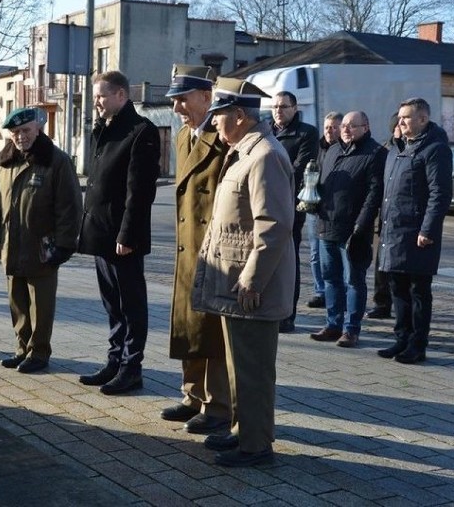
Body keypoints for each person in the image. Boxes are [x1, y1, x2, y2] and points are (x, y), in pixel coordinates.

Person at [191, 77, 295, 468]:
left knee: (252, 371)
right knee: (239, 368)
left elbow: (273, 224)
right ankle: (242, 432)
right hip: (235, 283)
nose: (214, 123)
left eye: (219, 115)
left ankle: (256, 447)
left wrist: (252, 279)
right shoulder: (246, 151)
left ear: (238, 115)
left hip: (252, 287)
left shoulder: (264, 154)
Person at [77, 70, 161, 395]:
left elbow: (138, 192)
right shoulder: (105, 128)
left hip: (122, 238)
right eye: (96, 96)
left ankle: (131, 368)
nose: (96, 102)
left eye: (101, 96)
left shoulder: (141, 131)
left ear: (121, 96)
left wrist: (127, 235)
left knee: (131, 304)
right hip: (101, 233)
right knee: (111, 303)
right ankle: (115, 360)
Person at [160, 64, 231, 435]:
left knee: (212, 329)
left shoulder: (225, 138)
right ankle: (192, 395)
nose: (177, 109)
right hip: (189, 248)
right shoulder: (184, 137)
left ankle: (218, 404)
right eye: (174, 101)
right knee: (190, 324)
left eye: (183, 100)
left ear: (207, 97)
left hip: (214, 249)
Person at [0, 107, 82, 374]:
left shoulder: (56, 161)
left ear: (38, 128)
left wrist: (64, 244)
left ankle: (39, 352)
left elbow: (70, 207)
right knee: (17, 301)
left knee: (40, 303)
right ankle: (22, 347)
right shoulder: (3, 162)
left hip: (42, 247)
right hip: (10, 244)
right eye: (15, 132)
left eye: (25, 130)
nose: (20, 136)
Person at [377, 97, 452, 365]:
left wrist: (428, 229)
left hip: (418, 234)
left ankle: (417, 344)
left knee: (418, 291)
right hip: (394, 231)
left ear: (422, 119)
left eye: (406, 117)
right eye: (400, 117)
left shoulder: (435, 149)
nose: (401, 122)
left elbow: (439, 194)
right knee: (397, 289)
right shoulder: (398, 148)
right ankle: (401, 339)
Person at [309, 111, 386, 348]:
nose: (346, 129)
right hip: (326, 225)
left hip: (353, 231)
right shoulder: (332, 150)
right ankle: (333, 325)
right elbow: (318, 183)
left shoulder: (375, 153)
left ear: (366, 126)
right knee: (331, 279)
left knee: (354, 279)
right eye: (343, 125)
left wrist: (361, 226)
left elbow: (374, 195)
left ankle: (351, 329)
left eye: (352, 126)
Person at [270, 91, 318, 333]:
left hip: (289, 205)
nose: (278, 110)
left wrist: (267, 175)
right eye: (275, 106)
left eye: (283, 106)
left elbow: (299, 168)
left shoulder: (306, 133)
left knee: (288, 261)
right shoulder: (266, 130)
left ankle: (288, 314)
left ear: (294, 107)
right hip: (266, 203)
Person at [365, 115, 401, 320]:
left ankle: (398, 304)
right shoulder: (385, 151)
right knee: (381, 265)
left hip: (399, 218)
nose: (401, 127)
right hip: (382, 216)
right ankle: (382, 303)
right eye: (398, 125)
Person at [305, 112, 342, 309]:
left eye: (334, 127)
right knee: (315, 253)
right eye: (327, 127)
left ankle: (337, 291)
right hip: (315, 208)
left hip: (335, 211)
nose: (330, 131)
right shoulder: (316, 148)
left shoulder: (344, 150)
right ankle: (320, 291)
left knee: (335, 255)